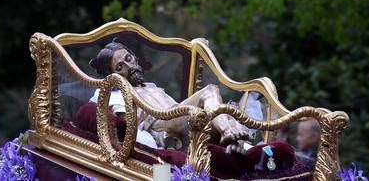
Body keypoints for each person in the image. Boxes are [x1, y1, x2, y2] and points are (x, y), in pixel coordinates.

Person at [89, 41, 252, 152]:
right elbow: (130, 124)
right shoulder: (117, 95)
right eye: (120, 67)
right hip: (164, 125)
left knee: (230, 109)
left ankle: (234, 145)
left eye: (128, 58)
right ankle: (227, 131)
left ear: (134, 56)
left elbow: (180, 109)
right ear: (112, 76)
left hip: (182, 119)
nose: (129, 66)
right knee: (209, 90)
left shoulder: (151, 87)